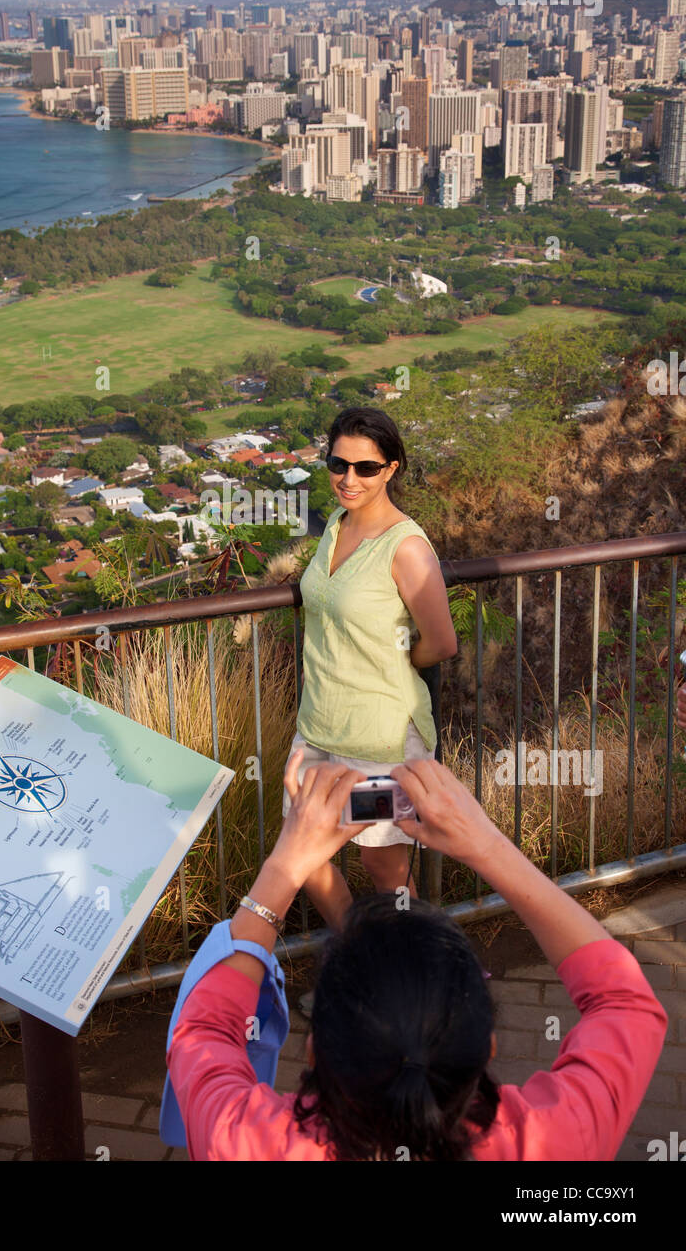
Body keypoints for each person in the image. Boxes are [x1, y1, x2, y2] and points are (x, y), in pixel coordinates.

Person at [167, 750, 668, 1161]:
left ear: (314, 1052)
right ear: (488, 1049)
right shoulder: (550, 1140)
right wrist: (488, 846)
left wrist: (285, 864)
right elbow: (624, 1002)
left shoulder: (245, 1142)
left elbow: (203, 1031)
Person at [285, 407, 457, 933]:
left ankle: (408, 981)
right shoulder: (334, 527)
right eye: (338, 464)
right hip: (318, 724)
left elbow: (442, 642)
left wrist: (396, 660)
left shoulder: (406, 547)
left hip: (381, 735)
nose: (348, 478)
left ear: (391, 469)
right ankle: (363, 956)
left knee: (383, 868)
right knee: (302, 855)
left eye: (366, 467)